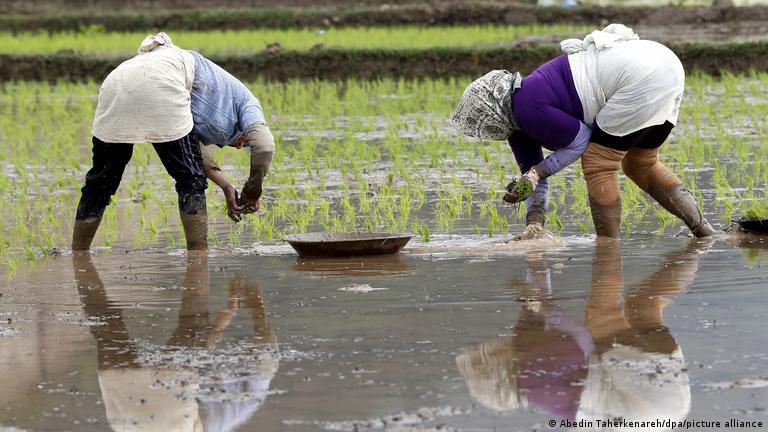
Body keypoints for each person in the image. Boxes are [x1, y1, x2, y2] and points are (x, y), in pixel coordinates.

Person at [451, 24, 714, 240]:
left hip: (636, 76)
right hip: (664, 63)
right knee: (640, 164)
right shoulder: (519, 124)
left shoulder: (526, 104)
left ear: (492, 110)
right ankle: (703, 230)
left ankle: (607, 247)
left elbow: (580, 141)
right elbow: (533, 176)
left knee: (598, 163)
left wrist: (537, 172)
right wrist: (534, 222)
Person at [72, 32, 275, 251]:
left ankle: (78, 253)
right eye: (241, 143)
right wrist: (251, 193)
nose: (237, 145)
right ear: (245, 132)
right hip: (162, 81)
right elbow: (264, 146)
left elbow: (191, 152)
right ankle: (198, 257)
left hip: (116, 81)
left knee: (101, 181)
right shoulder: (248, 103)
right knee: (190, 182)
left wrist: (227, 187)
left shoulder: (200, 94)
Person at [72, 254, 278, 431]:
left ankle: (81, 257)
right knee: (105, 326)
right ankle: (84, 273)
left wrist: (254, 307)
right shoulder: (230, 408)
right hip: (122, 420)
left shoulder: (252, 392)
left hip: (171, 419)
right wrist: (233, 310)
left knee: (193, 323)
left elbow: (205, 340)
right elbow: (205, 347)